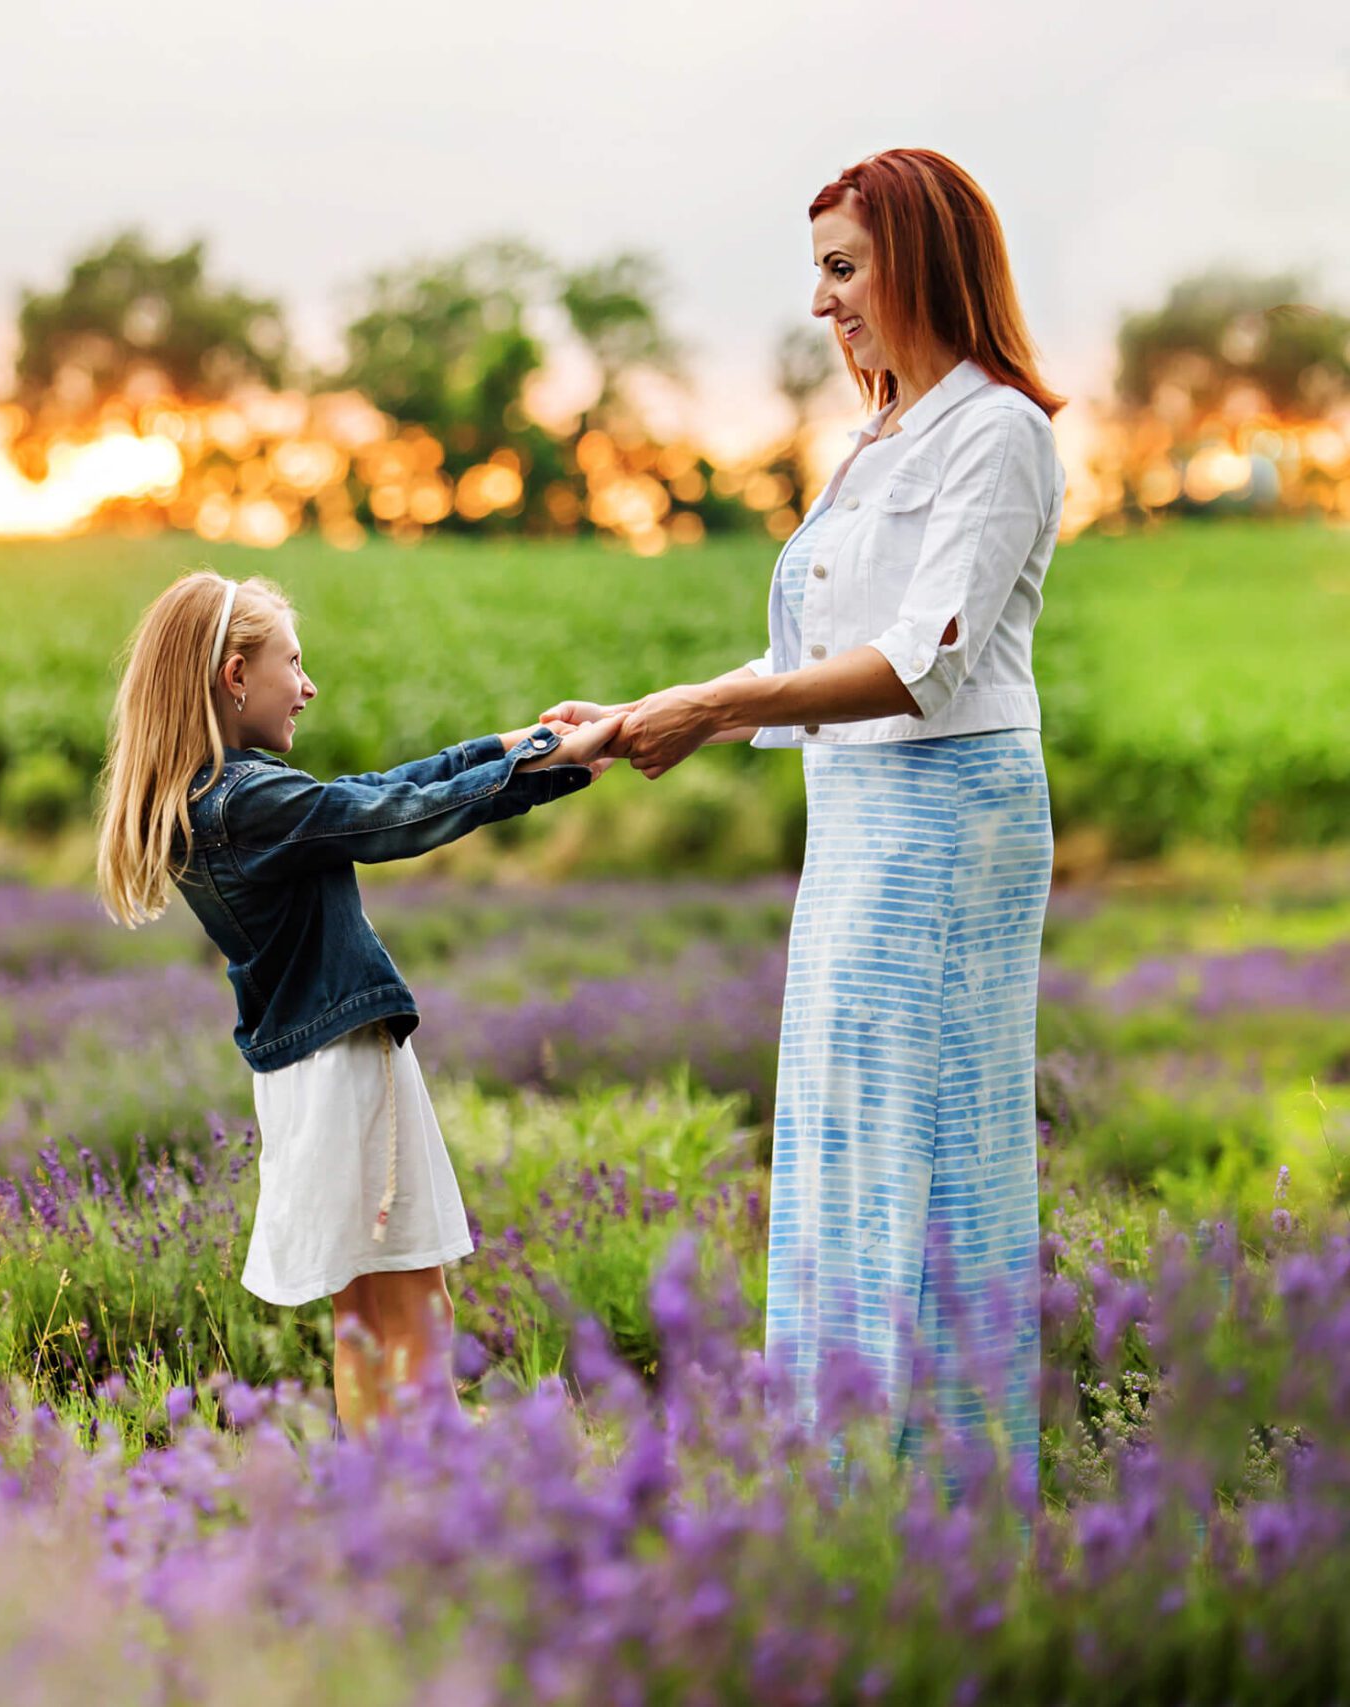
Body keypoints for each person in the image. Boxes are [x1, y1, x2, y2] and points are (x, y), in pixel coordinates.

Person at [548, 148, 1066, 1484]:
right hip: (861, 815)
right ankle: (848, 1470)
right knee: (842, 1125)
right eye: (819, 274)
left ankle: (949, 1491)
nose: (825, 302)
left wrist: (708, 710)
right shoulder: (883, 436)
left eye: (846, 269)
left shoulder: (997, 429)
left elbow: (919, 663)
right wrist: (636, 718)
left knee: (926, 1132)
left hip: (950, 814)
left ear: (923, 263)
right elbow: (822, 656)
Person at [97, 569, 619, 1435]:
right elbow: (388, 813)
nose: (307, 688)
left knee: (367, 1322)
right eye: (292, 665)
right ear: (235, 676)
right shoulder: (248, 801)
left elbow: (378, 789)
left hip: (309, 1078)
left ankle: (382, 1506)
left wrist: (517, 745)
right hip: (345, 1070)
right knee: (416, 1310)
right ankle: (435, 1504)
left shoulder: (216, 799)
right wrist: (545, 759)